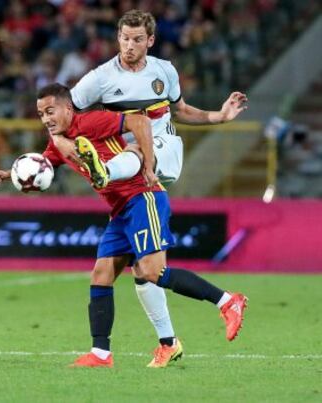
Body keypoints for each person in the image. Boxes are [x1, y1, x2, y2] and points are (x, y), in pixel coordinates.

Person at [0, 83, 248, 368]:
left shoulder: (90, 121)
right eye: (41, 114)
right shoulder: (57, 144)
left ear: (68, 108)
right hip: (119, 210)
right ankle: (103, 353)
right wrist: (8, 174)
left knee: (151, 271)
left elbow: (138, 121)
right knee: (101, 275)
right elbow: (40, 167)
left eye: (50, 111)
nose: (46, 119)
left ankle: (226, 301)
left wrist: (148, 161)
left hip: (142, 196)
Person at [69, 9, 248, 366]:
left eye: (137, 39)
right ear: (117, 38)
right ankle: (108, 352)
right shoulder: (100, 79)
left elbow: (179, 110)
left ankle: (227, 301)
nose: (130, 45)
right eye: (124, 38)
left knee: (138, 148)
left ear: (150, 40)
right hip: (127, 189)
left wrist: (217, 116)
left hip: (155, 164)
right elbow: (67, 112)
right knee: (119, 271)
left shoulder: (164, 70)